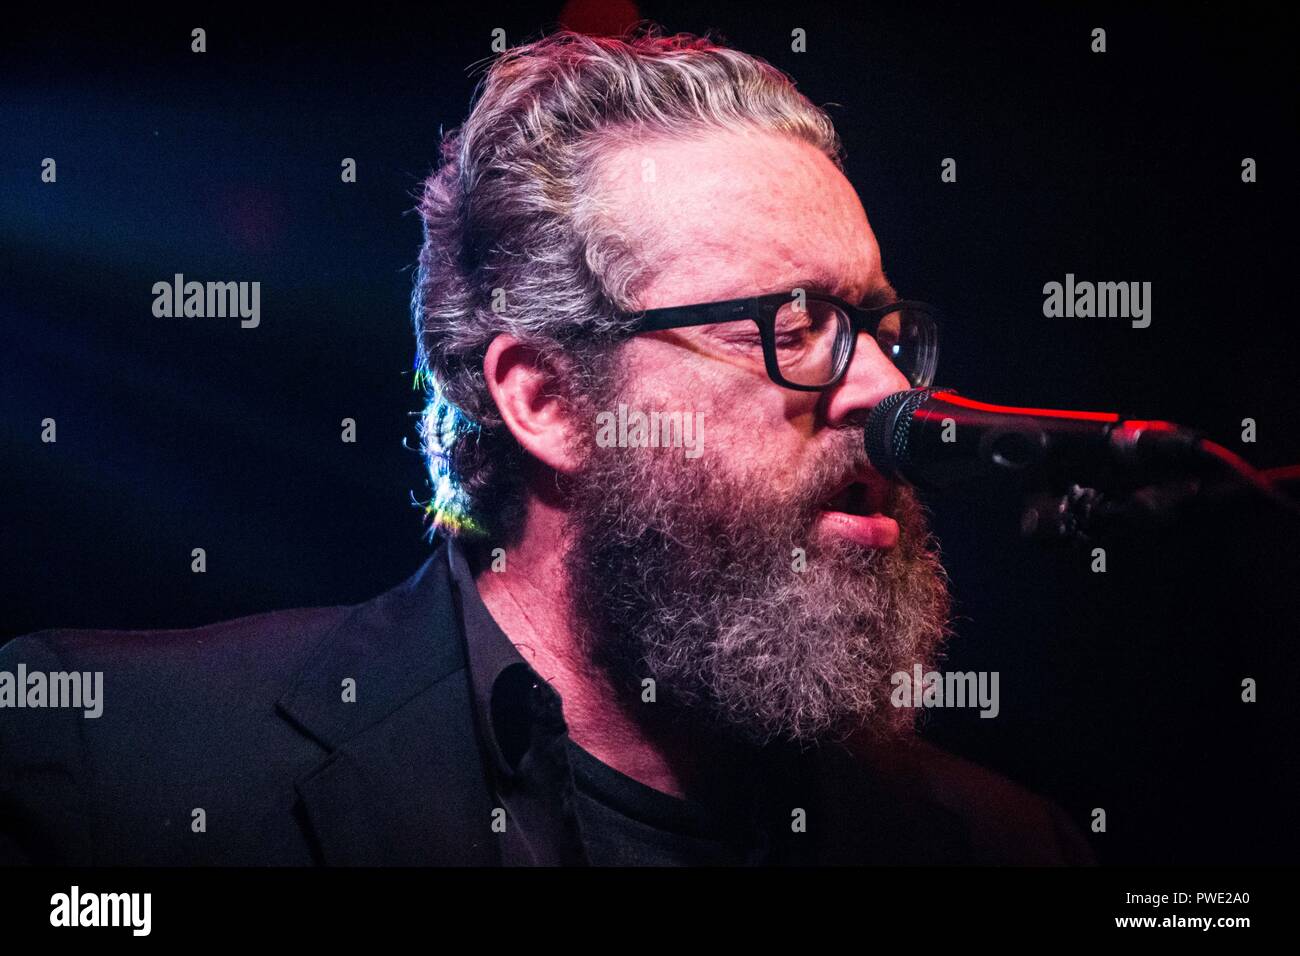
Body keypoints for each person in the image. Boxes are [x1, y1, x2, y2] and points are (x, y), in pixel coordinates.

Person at [0, 29, 1091, 866]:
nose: (886, 390)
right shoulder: (111, 764)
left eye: (884, 330)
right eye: (791, 323)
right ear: (545, 399)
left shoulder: (1003, 842)